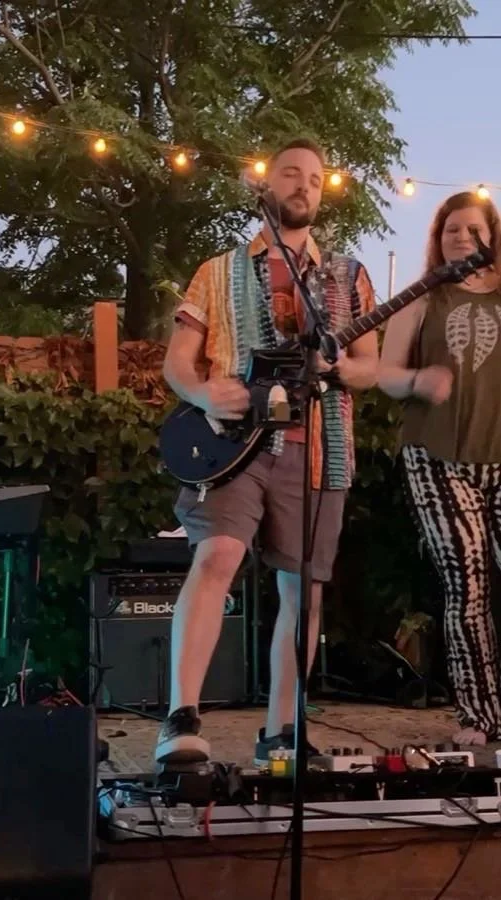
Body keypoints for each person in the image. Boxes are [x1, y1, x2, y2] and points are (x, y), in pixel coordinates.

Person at [157, 137, 379, 766]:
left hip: (320, 448)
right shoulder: (216, 271)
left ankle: (281, 730)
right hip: (233, 447)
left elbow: (368, 366)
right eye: (291, 173)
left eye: (314, 177)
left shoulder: (346, 276)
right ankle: (181, 718)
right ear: (268, 184)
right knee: (217, 557)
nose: (303, 185)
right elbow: (177, 361)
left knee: (303, 590)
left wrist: (339, 366)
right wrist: (203, 393)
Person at [379, 190, 501, 746]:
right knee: (467, 580)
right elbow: (382, 372)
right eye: (450, 228)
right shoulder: (421, 297)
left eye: (472, 228)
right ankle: (479, 716)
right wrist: (416, 382)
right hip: (436, 457)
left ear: (492, 236)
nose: (461, 236)